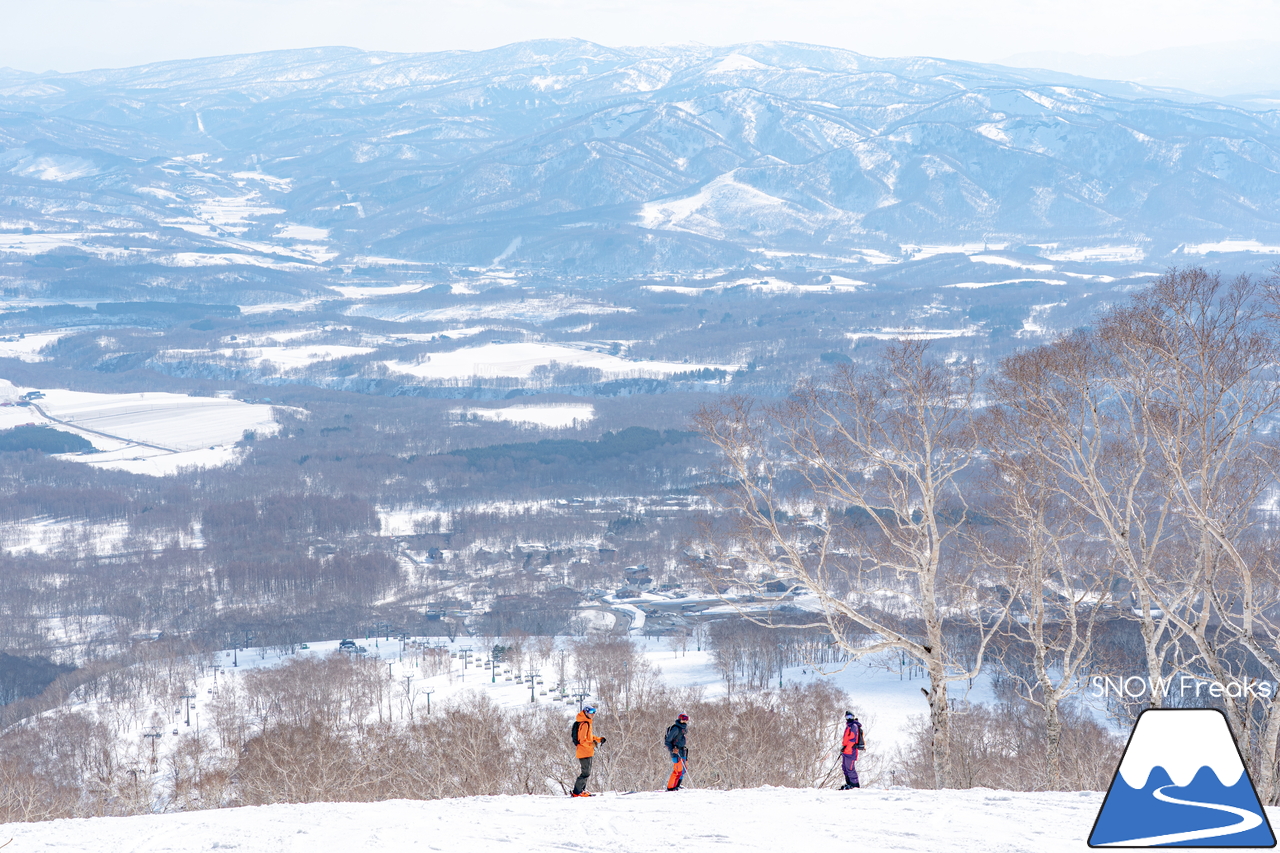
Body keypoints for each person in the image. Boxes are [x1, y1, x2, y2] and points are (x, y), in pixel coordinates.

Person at [570, 705, 605, 797]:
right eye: (591, 712)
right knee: (585, 773)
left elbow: (590, 737)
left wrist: (598, 739)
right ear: (586, 713)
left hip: (587, 751)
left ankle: (582, 790)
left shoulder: (587, 723)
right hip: (584, 752)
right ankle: (577, 792)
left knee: (587, 772)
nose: (593, 714)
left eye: (594, 712)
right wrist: (592, 744)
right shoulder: (584, 724)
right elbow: (582, 740)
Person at [665, 713, 689, 791]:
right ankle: (671, 787)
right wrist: (672, 749)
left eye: (686, 719)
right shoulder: (675, 728)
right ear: (679, 719)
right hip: (676, 751)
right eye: (683, 719)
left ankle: (677, 785)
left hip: (683, 750)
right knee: (677, 770)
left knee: (684, 769)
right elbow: (667, 741)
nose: (685, 720)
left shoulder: (684, 728)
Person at [840, 711, 863, 789]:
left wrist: (847, 748)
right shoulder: (848, 726)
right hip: (846, 751)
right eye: (847, 717)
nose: (848, 719)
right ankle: (849, 783)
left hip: (851, 751)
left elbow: (852, 740)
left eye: (850, 717)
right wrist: (843, 747)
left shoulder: (854, 726)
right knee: (844, 768)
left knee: (850, 769)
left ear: (853, 717)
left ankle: (855, 785)